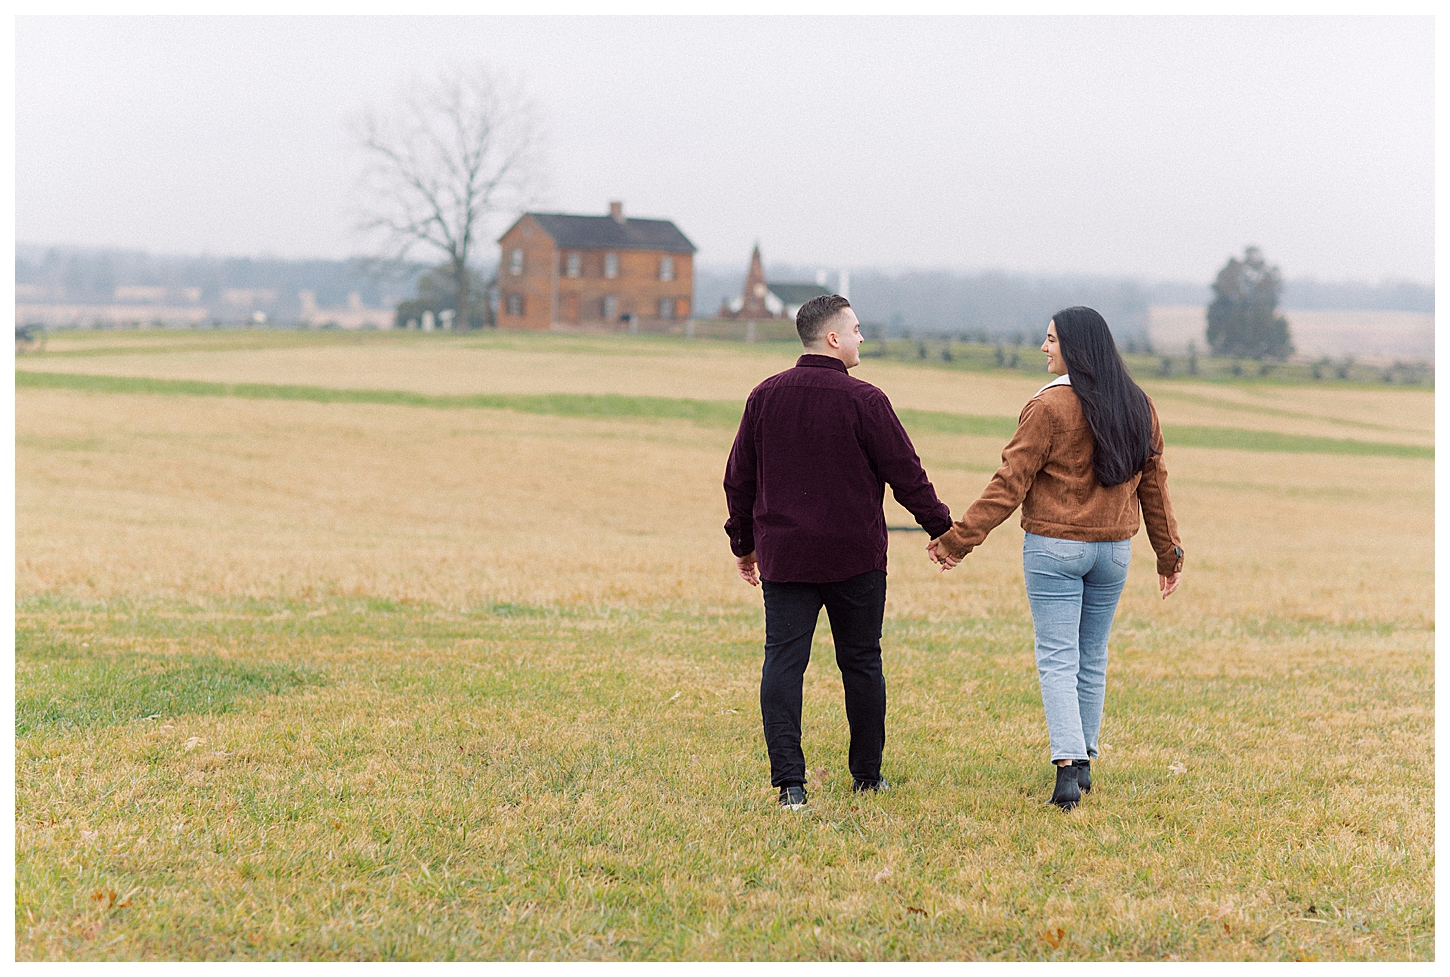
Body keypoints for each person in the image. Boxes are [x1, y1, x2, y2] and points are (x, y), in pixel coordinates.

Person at [927, 306, 1183, 811]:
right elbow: (1155, 486)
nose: (1044, 348)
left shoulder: (1048, 407)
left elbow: (1010, 481)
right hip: (1114, 551)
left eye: (1051, 340)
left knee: (1058, 657)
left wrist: (960, 539)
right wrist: (1168, 555)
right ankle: (1084, 761)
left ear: (1075, 347)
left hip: (1054, 549)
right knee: (1093, 657)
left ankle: (1067, 771)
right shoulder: (1139, 404)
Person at [724, 294, 954, 810]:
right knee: (862, 662)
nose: (861, 337)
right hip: (856, 559)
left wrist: (744, 543)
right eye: (855, 328)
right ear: (833, 338)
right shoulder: (866, 401)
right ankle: (868, 778)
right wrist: (943, 530)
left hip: (785, 557)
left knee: (784, 663)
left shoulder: (764, 396)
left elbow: (738, 477)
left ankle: (789, 785)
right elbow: (906, 474)